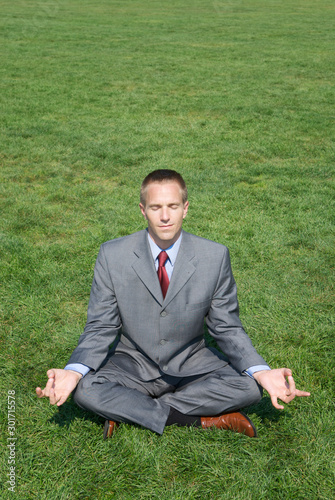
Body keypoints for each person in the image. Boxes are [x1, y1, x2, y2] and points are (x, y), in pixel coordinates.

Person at [36, 169, 310, 438]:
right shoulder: (112, 254)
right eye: (156, 207)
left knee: (250, 388)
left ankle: (129, 411)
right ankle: (204, 420)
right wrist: (73, 372)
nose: (165, 216)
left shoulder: (214, 256)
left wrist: (262, 372)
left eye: (173, 206)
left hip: (193, 364)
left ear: (186, 208)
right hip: (132, 365)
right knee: (86, 390)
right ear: (142, 210)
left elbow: (227, 327)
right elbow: (101, 326)